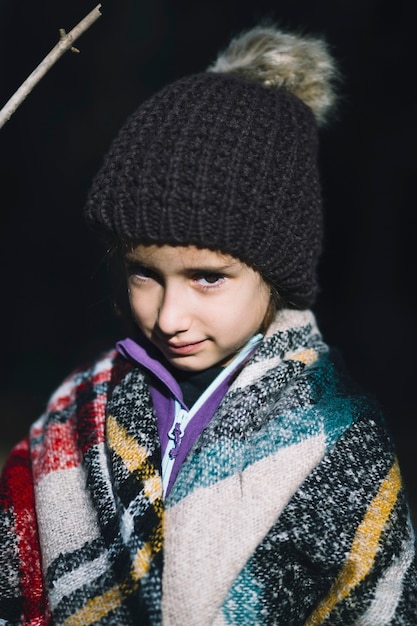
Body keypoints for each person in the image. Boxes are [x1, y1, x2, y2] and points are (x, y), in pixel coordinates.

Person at [0, 23, 416, 626]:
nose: (170, 317)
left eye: (208, 277)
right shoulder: (81, 406)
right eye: (145, 274)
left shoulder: (339, 438)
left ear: (278, 272)